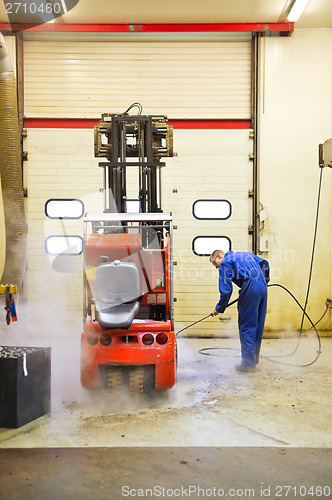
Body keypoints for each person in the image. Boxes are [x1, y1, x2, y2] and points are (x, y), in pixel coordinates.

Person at [210, 249, 270, 373]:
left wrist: (219, 308)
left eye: (214, 263)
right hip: (263, 288)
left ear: (219, 256)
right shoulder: (244, 254)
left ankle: (248, 364)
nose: (216, 267)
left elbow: (226, 291)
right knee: (257, 325)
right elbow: (265, 263)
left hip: (250, 287)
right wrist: (264, 281)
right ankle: (254, 359)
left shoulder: (225, 263)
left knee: (247, 326)